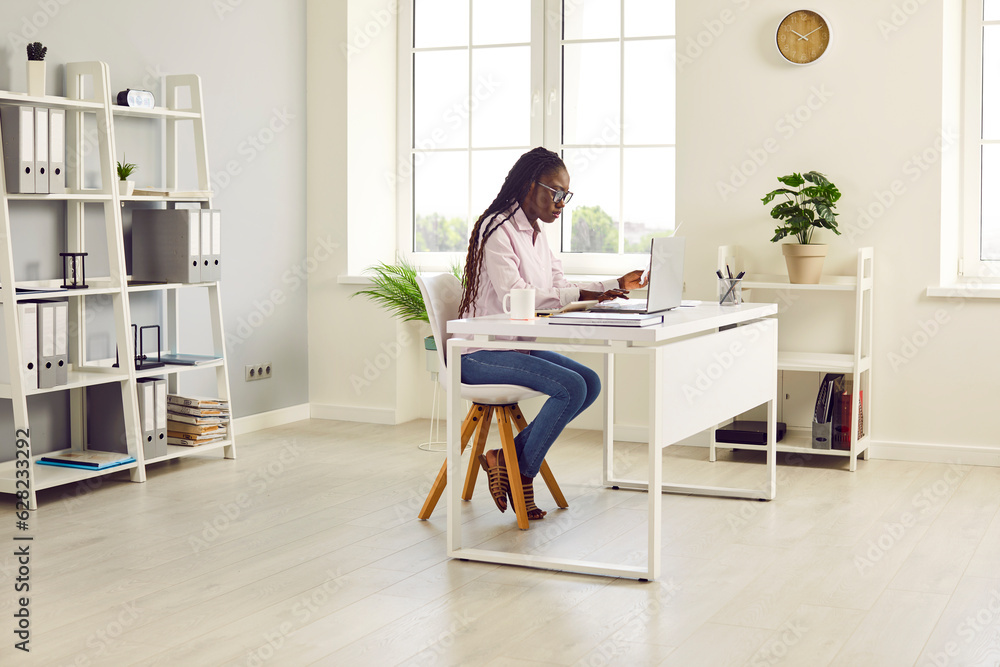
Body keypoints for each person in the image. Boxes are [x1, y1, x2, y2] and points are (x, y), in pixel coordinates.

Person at [458, 147, 646, 521]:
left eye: (566, 195)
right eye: (556, 192)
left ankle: (504, 458)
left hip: (513, 351)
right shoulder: (497, 228)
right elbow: (517, 295)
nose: (561, 202)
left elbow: (558, 285)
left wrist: (611, 285)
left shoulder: (536, 235)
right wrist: (590, 293)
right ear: (531, 186)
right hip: (479, 355)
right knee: (572, 387)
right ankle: (522, 474)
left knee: (589, 382)